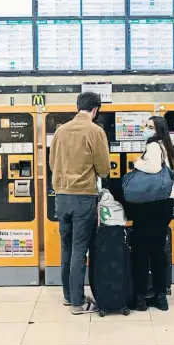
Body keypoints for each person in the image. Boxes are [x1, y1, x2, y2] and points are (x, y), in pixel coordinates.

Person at [49, 92, 110, 315]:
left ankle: (67, 295)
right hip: (83, 197)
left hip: (61, 197)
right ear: (96, 109)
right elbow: (103, 167)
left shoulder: (60, 130)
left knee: (66, 247)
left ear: (78, 107)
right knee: (78, 249)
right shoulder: (95, 131)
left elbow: (52, 163)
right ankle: (77, 301)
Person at [130, 116, 174, 312]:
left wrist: (136, 163)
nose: (146, 130)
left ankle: (140, 296)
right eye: (146, 126)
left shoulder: (154, 146)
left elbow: (153, 168)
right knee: (158, 251)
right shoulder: (168, 147)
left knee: (141, 250)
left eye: (151, 127)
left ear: (159, 131)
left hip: (149, 204)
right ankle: (160, 296)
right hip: (165, 204)